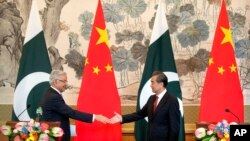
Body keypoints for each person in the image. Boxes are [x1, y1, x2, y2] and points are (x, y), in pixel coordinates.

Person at [41, 70, 109, 141]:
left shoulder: (50, 93)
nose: (66, 83)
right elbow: (71, 113)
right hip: (57, 136)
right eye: (64, 81)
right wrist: (95, 117)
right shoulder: (53, 96)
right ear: (55, 82)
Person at [111, 71, 180, 141]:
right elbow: (140, 114)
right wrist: (122, 118)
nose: (150, 85)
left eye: (152, 82)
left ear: (161, 84)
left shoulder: (172, 100)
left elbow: (174, 128)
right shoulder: (152, 98)